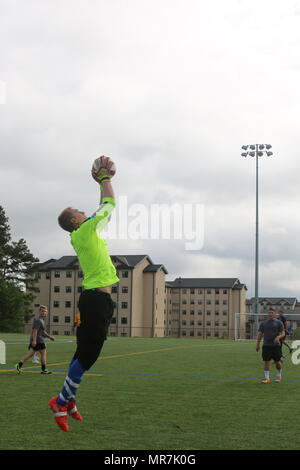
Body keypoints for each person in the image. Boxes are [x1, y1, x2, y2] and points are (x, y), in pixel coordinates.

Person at [49, 156, 119, 432]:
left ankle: (71, 400)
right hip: (95, 301)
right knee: (89, 355)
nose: (83, 211)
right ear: (75, 220)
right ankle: (61, 401)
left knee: (82, 351)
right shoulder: (86, 229)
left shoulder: (82, 233)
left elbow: (99, 209)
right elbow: (109, 204)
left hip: (96, 300)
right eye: (78, 210)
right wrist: (105, 180)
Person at [15, 305, 55, 374]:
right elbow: (35, 330)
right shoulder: (38, 320)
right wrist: (34, 340)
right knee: (43, 353)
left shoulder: (42, 320)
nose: (44, 313)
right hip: (39, 340)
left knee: (30, 354)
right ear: (39, 312)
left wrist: (49, 337)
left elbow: (42, 332)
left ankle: (18, 365)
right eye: (42, 311)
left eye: (45, 311)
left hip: (38, 340)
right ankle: (44, 370)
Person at [256, 307, 285, 383]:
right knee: (266, 361)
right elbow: (260, 334)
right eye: (269, 313)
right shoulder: (263, 323)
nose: (270, 314)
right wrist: (258, 344)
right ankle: (267, 378)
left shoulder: (279, 323)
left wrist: (278, 337)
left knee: (277, 362)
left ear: (274, 314)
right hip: (266, 345)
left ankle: (279, 375)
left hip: (276, 346)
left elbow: (283, 334)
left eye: (272, 313)